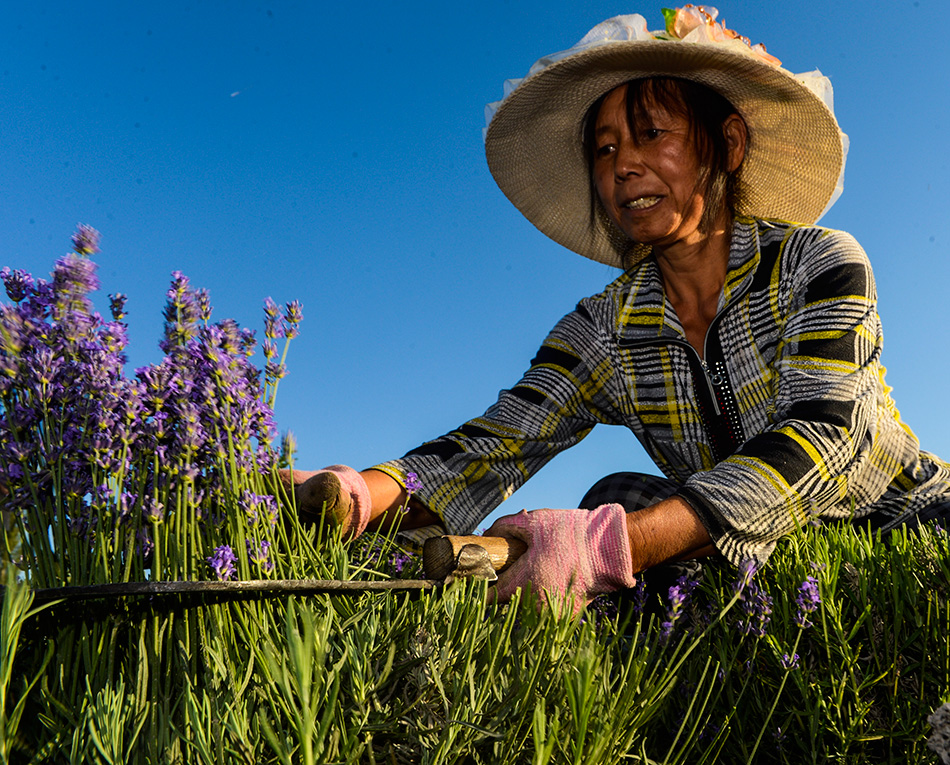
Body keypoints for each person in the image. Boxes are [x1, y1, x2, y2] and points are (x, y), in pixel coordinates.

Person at [282, 7, 950, 613]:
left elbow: (824, 435)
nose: (623, 166)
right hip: (761, 571)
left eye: (651, 133)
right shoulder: (605, 329)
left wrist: (607, 547)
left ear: (730, 144)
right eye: (604, 149)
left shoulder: (817, 263)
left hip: (901, 528)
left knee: (622, 527)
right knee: (617, 494)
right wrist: (360, 493)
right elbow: (497, 441)